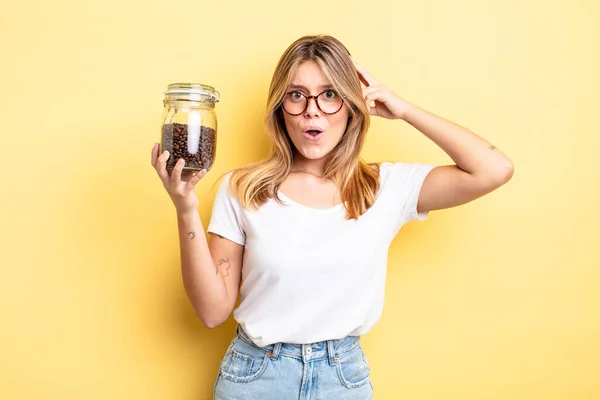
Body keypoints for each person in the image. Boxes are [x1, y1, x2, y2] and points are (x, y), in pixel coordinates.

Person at [150, 34, 514, 400]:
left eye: (329, 94)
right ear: (280, 108)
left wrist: (403, 109)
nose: (312, 110)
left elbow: (493, 169)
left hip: (342, 379)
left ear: (351, 106)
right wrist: (185, 208)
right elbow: (212, 312)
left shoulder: (385, 187)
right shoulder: (243, 188)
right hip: (257, 377)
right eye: (296, 95)